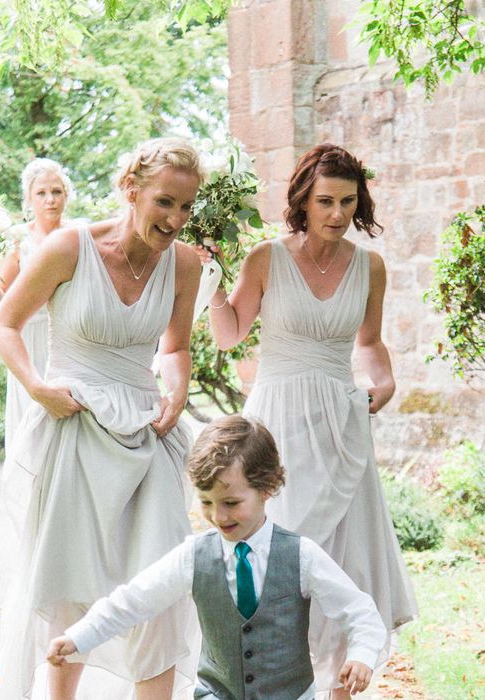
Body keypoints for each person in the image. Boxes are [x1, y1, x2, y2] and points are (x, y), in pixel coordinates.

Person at [199, 143, 418, 698]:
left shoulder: (371, 267)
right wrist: (214, 282)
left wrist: (384, 383)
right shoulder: (267, 258)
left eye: (348, 201)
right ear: (302, 199)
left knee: (344, 563)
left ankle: (340, 689)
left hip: (342, 428)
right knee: (281, 558)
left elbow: (368, 343)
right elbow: (229, 335)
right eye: (326, 201)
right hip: (277, 425)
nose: (338, 214)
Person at [0, 137, 204, 700]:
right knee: (72, 589)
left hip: (148, 432)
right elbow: (5, 324)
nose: (176, 219)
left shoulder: (184, 264)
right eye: (165, 202)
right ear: (131, 190)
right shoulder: (68, 247)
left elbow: (176, 347)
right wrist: (38, 388)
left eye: (186, 207)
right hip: (76, 429)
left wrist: (176, 392)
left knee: (161, 582)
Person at [47, 414, 388, 699]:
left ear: (267, 487)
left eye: (231, 503)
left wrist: (361, 656)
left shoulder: (302, 556)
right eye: (206, 502)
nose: (218, 516)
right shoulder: (194, 556)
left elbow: (360, 611)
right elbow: (133, 601)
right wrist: (80, 636)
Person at [0, 157, 73, 453]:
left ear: (66, 194)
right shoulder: (17, 240)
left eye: (56, 191)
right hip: (28, 343)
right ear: (29, 198)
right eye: (41, 193)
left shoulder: (78, 234)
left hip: (70, 342)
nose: (50, 200)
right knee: (31, 431)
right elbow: (3, 304)